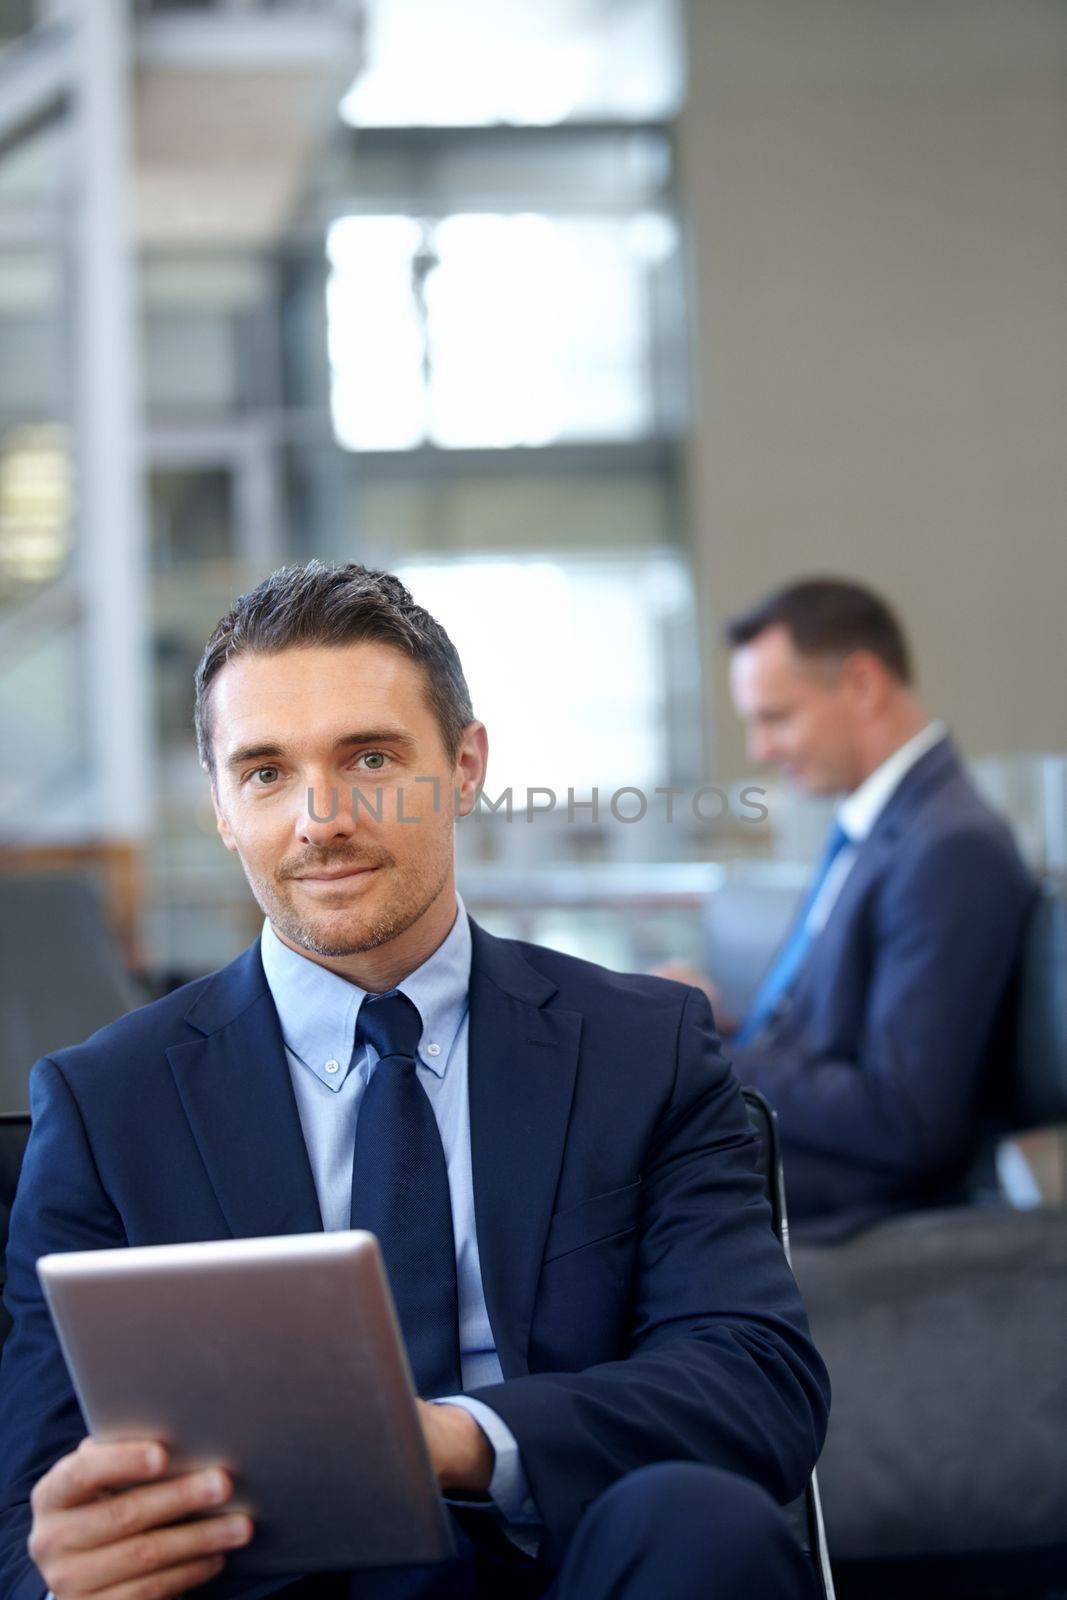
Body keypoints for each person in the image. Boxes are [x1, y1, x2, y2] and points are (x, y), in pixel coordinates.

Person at [0, 562, 829, 1600]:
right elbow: (29, 1513)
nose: (321, 818)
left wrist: (446, 1438)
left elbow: (754, 1385)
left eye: (370, 757)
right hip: (275, 1581)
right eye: (264, 771)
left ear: (464, 765)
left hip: (573, 1562)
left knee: (701, 1525)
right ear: (220, 803)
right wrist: (66, 1568)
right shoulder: (106, 1106)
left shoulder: (639, 1048)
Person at [665, 577, 1035, 1241]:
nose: (759, 749)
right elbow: (828, 1036)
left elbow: (903, 1116)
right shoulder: (882, 824)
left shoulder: (949, 845)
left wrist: (700, 1048)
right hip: (803, 1144)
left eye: (775, 717)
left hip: (855, 1184)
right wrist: (708, 1023)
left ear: (862, 684)